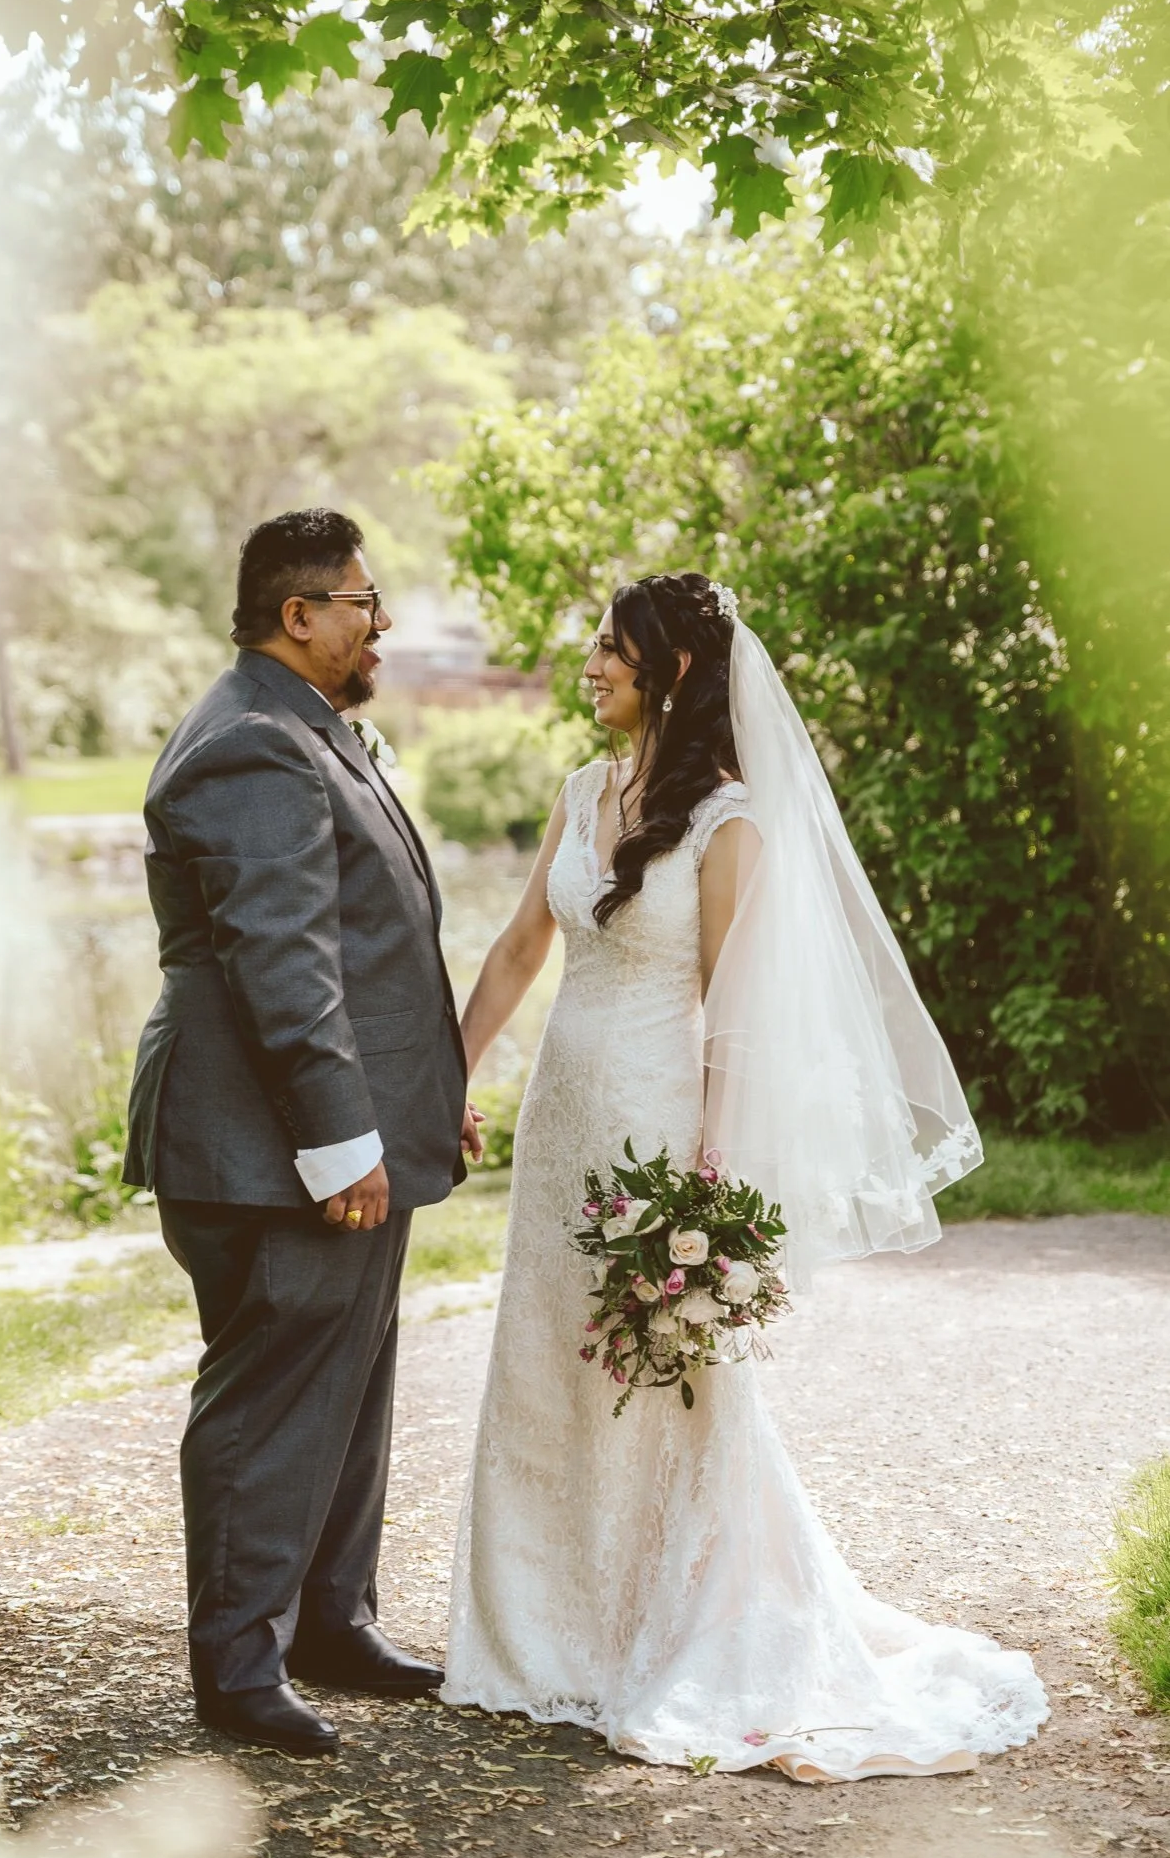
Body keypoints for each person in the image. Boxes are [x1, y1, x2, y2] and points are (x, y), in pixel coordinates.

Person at [442, 571, 1049, 1780]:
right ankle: (538, 1628)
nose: (592, 664)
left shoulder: (728, 821)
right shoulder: (577, 792)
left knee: (667, 1379)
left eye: (611, 649)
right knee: (549, 1353)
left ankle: (685, 1625)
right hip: (563, 1117)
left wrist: (707, 1182)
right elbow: (520, 947)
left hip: (660, 1125)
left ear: (668, 670)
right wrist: (447, 1075)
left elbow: (732, 1013)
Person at [123, 508, 477, 1757]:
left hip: (323, 1136)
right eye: (364, 602)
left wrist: (425, 1099)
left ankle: (330, 1620)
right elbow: (286, 966)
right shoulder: (254, 746)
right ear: (299, 614)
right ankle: (239, 1665)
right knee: (271, 1399)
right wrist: (340, 1141)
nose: (379, 622)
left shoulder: (305, 732)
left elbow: (370, 949)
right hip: (268, 1148)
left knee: (347, 1380)